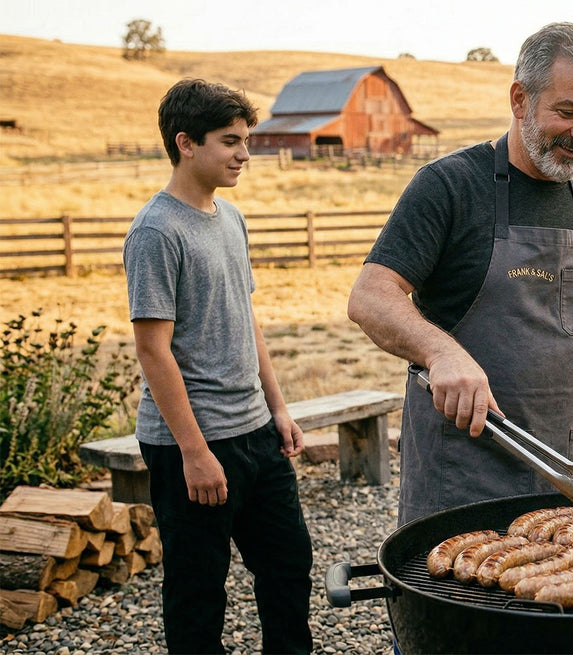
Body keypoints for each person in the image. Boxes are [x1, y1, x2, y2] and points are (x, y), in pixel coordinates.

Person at [347, 22, 573, 526]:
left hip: (568, 473)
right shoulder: (449, 186)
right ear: (519, 99)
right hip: (464, 470)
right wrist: (439, 351)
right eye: (568, 112)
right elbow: (371, 296)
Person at [123, 79, 313, 654]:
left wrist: (277, 407)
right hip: (194, 442)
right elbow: (153, 350)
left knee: (287, 566)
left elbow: (245, 317)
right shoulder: (156, 232)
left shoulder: (230, 219)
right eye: (230, 141)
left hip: (255, 430)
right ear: (185, 142)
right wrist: (195, 452)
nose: (244, 154)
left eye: (246, 140)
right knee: (198, 591)